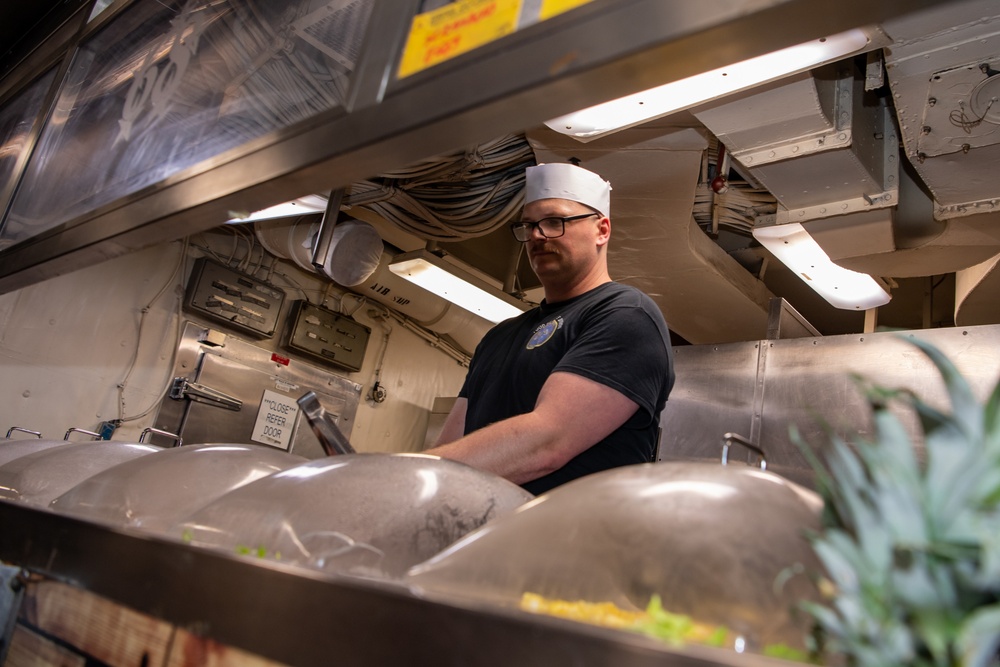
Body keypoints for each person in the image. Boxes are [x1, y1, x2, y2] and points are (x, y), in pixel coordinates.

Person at [424, 162, 674, 495]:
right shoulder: (500, 336)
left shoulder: (625, 315)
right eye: (529, 226)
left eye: (556, 221)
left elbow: (546, 442)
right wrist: (414, 477)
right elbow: (454, 438)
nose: (538, 236)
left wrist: (418, 476)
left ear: (602, 230)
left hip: (570, 540)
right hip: (488, 537)